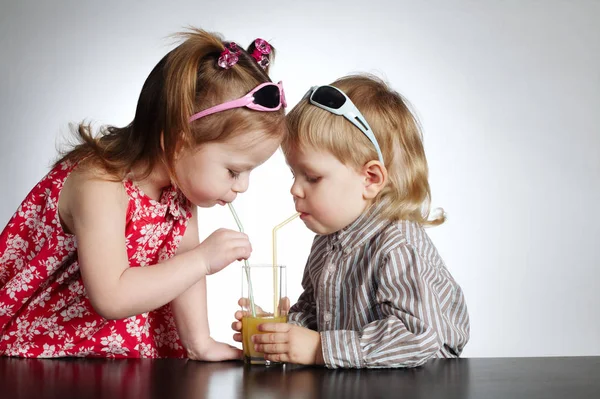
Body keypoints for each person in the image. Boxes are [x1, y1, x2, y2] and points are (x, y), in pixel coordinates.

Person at [0, 29, 287, 359]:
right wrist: (204, 260)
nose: (242, 186)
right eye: (234, 171)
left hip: (116, 357)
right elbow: (112, 296)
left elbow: (184, 262)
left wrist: (200, 343)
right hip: (40, 351)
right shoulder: (100, 183)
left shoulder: (179, 189)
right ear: (179, 142)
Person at [233, 75, 469, 368]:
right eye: (294, 174)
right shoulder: (327, 242)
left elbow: (418, 337)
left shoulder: (398, 246)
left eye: (312, 177)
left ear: (370, 179)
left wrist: (319, 348)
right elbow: (316, 313)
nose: (295, 189)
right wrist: (279, 332)